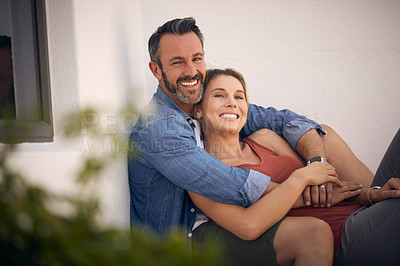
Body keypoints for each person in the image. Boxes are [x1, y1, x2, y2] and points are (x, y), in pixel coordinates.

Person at [128, 16, 332, 240]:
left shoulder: (205, 103)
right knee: (315, 232)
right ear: (156, 70)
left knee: (326, 137)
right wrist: (310, 190)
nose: (191, 71)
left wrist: (317, 163)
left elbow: (289, 121)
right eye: (177, 62)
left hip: (226, 226)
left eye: (196, 59)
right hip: (183, 249)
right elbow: (230, 184)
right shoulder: (159, 127)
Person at [190, 68, 400, 265]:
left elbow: (325, 189)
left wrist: (373, 194)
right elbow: (249, 225)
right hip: (343, 236)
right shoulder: (205, 173)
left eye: (239, 96)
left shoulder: (265, 139)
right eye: (219, 95)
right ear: (198, 110)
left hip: (361, 211)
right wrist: (302, 178)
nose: (232, 103)